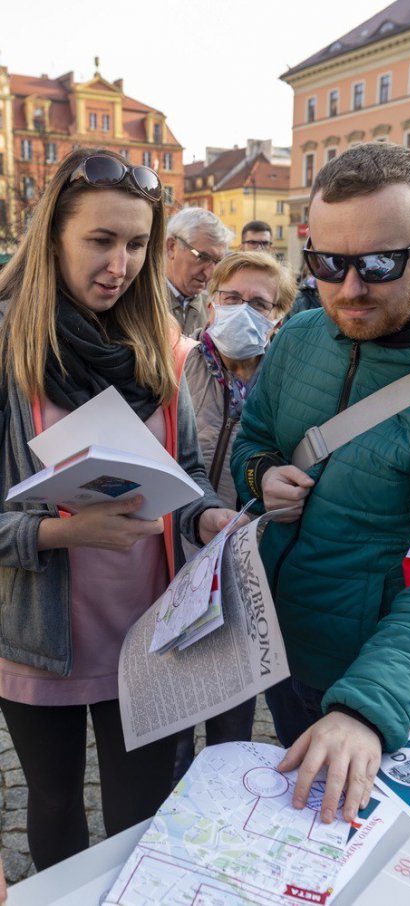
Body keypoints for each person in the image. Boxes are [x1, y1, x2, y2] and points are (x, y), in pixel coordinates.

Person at [231, 143, 410, 826]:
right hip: (277, 635)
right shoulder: (302, 334)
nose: (349, 289)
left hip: (377, 667)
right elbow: (255, 441)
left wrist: (364, 710)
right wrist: (259, 473)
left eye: (379, 264)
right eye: (327, 263)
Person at [0, 149, 242, 871]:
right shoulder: (8, 348)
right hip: (41, 637)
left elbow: (190, 473)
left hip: (151, 633)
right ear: (53, 238)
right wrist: (59, 531)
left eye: (136, 243)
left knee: (141, 812)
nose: (122, 263)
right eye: (101, 240)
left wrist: (204, 517)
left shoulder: (160, 346)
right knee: (54, 806)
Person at [172, 251, 296, 779]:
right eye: (231, 298)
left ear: (279, 319)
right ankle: (165, 799)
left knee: (232, 711)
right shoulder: (173, 363)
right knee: (175, 708)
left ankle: (222, 794)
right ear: (209, 304)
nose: (242, 310)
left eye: (259, 303)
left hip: (251, 568)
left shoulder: (292, 383)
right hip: (176, 559)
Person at [166, 207, 233, 335]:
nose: (210, 273)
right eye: (202, 257)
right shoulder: (135, 302)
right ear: (172, 247)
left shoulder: (216, 309)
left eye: (217, 261)